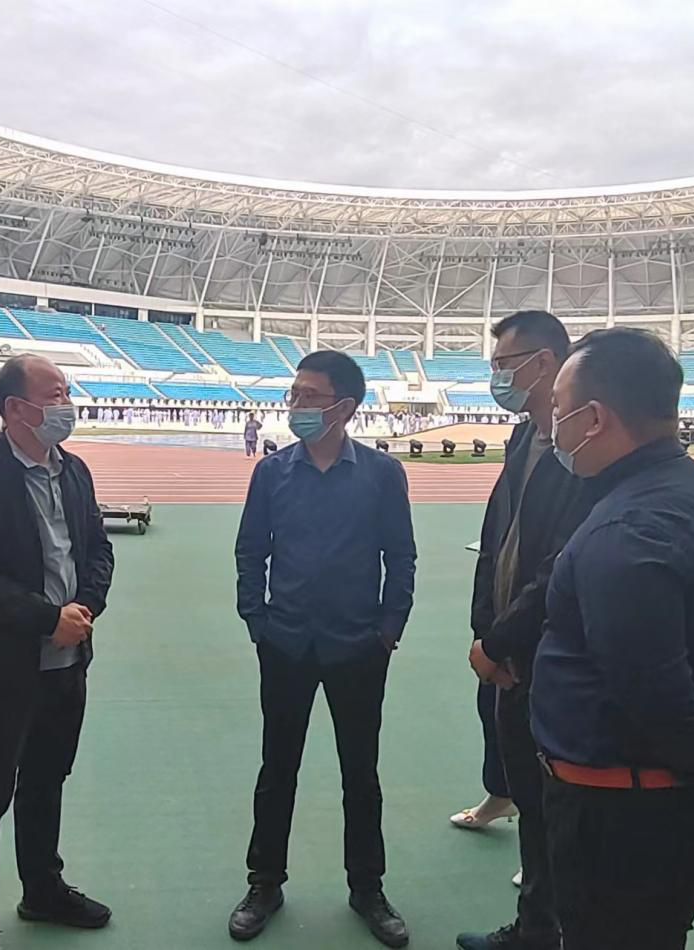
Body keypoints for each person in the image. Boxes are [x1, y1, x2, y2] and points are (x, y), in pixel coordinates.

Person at [532, 328, 694, 950]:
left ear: (594, 419)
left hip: (624, 817)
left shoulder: (628, 527)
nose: (552, 425)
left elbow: (649, 683)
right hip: (669, 807)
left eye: (559, 409)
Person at [231, 350, 417, 948]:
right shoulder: (271, 472)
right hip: (285, 643)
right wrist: (257, 620)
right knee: (276, 768)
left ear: (345, 407)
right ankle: (264, 883)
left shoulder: (382, 474)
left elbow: (401, 556)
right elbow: (250, 550)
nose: (297, 406)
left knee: (360, 773)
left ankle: (368, 888)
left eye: (309, 396)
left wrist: (388, 628)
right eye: (294, 395)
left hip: (358, 647)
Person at [0, 354, 115, 950]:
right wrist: (47, 619)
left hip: (66, 662)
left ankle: (42, 889)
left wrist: (84, 608)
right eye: (56, 393)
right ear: (16, 408)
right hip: (1, 668)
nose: (68, 404)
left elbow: (97, 549)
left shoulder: (74, 471)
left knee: (46, 779)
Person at [455, 311, 590, 950]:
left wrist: (504, 642)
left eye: (503, 365)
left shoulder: (580, 455)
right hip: (506, 647)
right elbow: (497, 541)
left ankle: (551, 921)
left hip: (549, 653)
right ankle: (536, 925)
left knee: (558, 801)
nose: (496, 377)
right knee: (532, 801)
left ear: (543, 363)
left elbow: (559, 565)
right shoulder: (521, 440)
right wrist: (486, 631)